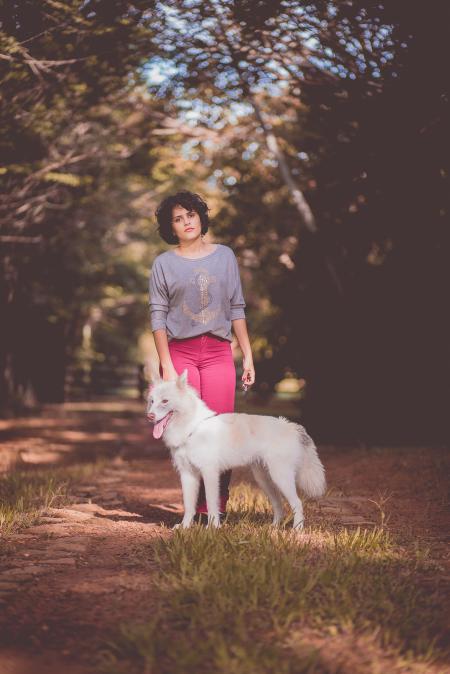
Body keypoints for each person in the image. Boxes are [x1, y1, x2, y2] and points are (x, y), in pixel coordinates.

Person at [149, 190, 255, 521]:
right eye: (178, 219)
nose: (186, 222)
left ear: (201, 217)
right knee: (188, 431)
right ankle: (192, 508)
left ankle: (215, 507)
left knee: (218, 430)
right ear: (171, 228)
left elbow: (237, 306)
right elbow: (158, 316)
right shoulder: (163, 264)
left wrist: (247, 355)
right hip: (180, 353)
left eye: (190, 215)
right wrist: (166, 364)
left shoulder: (224, 256)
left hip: (218, 352)